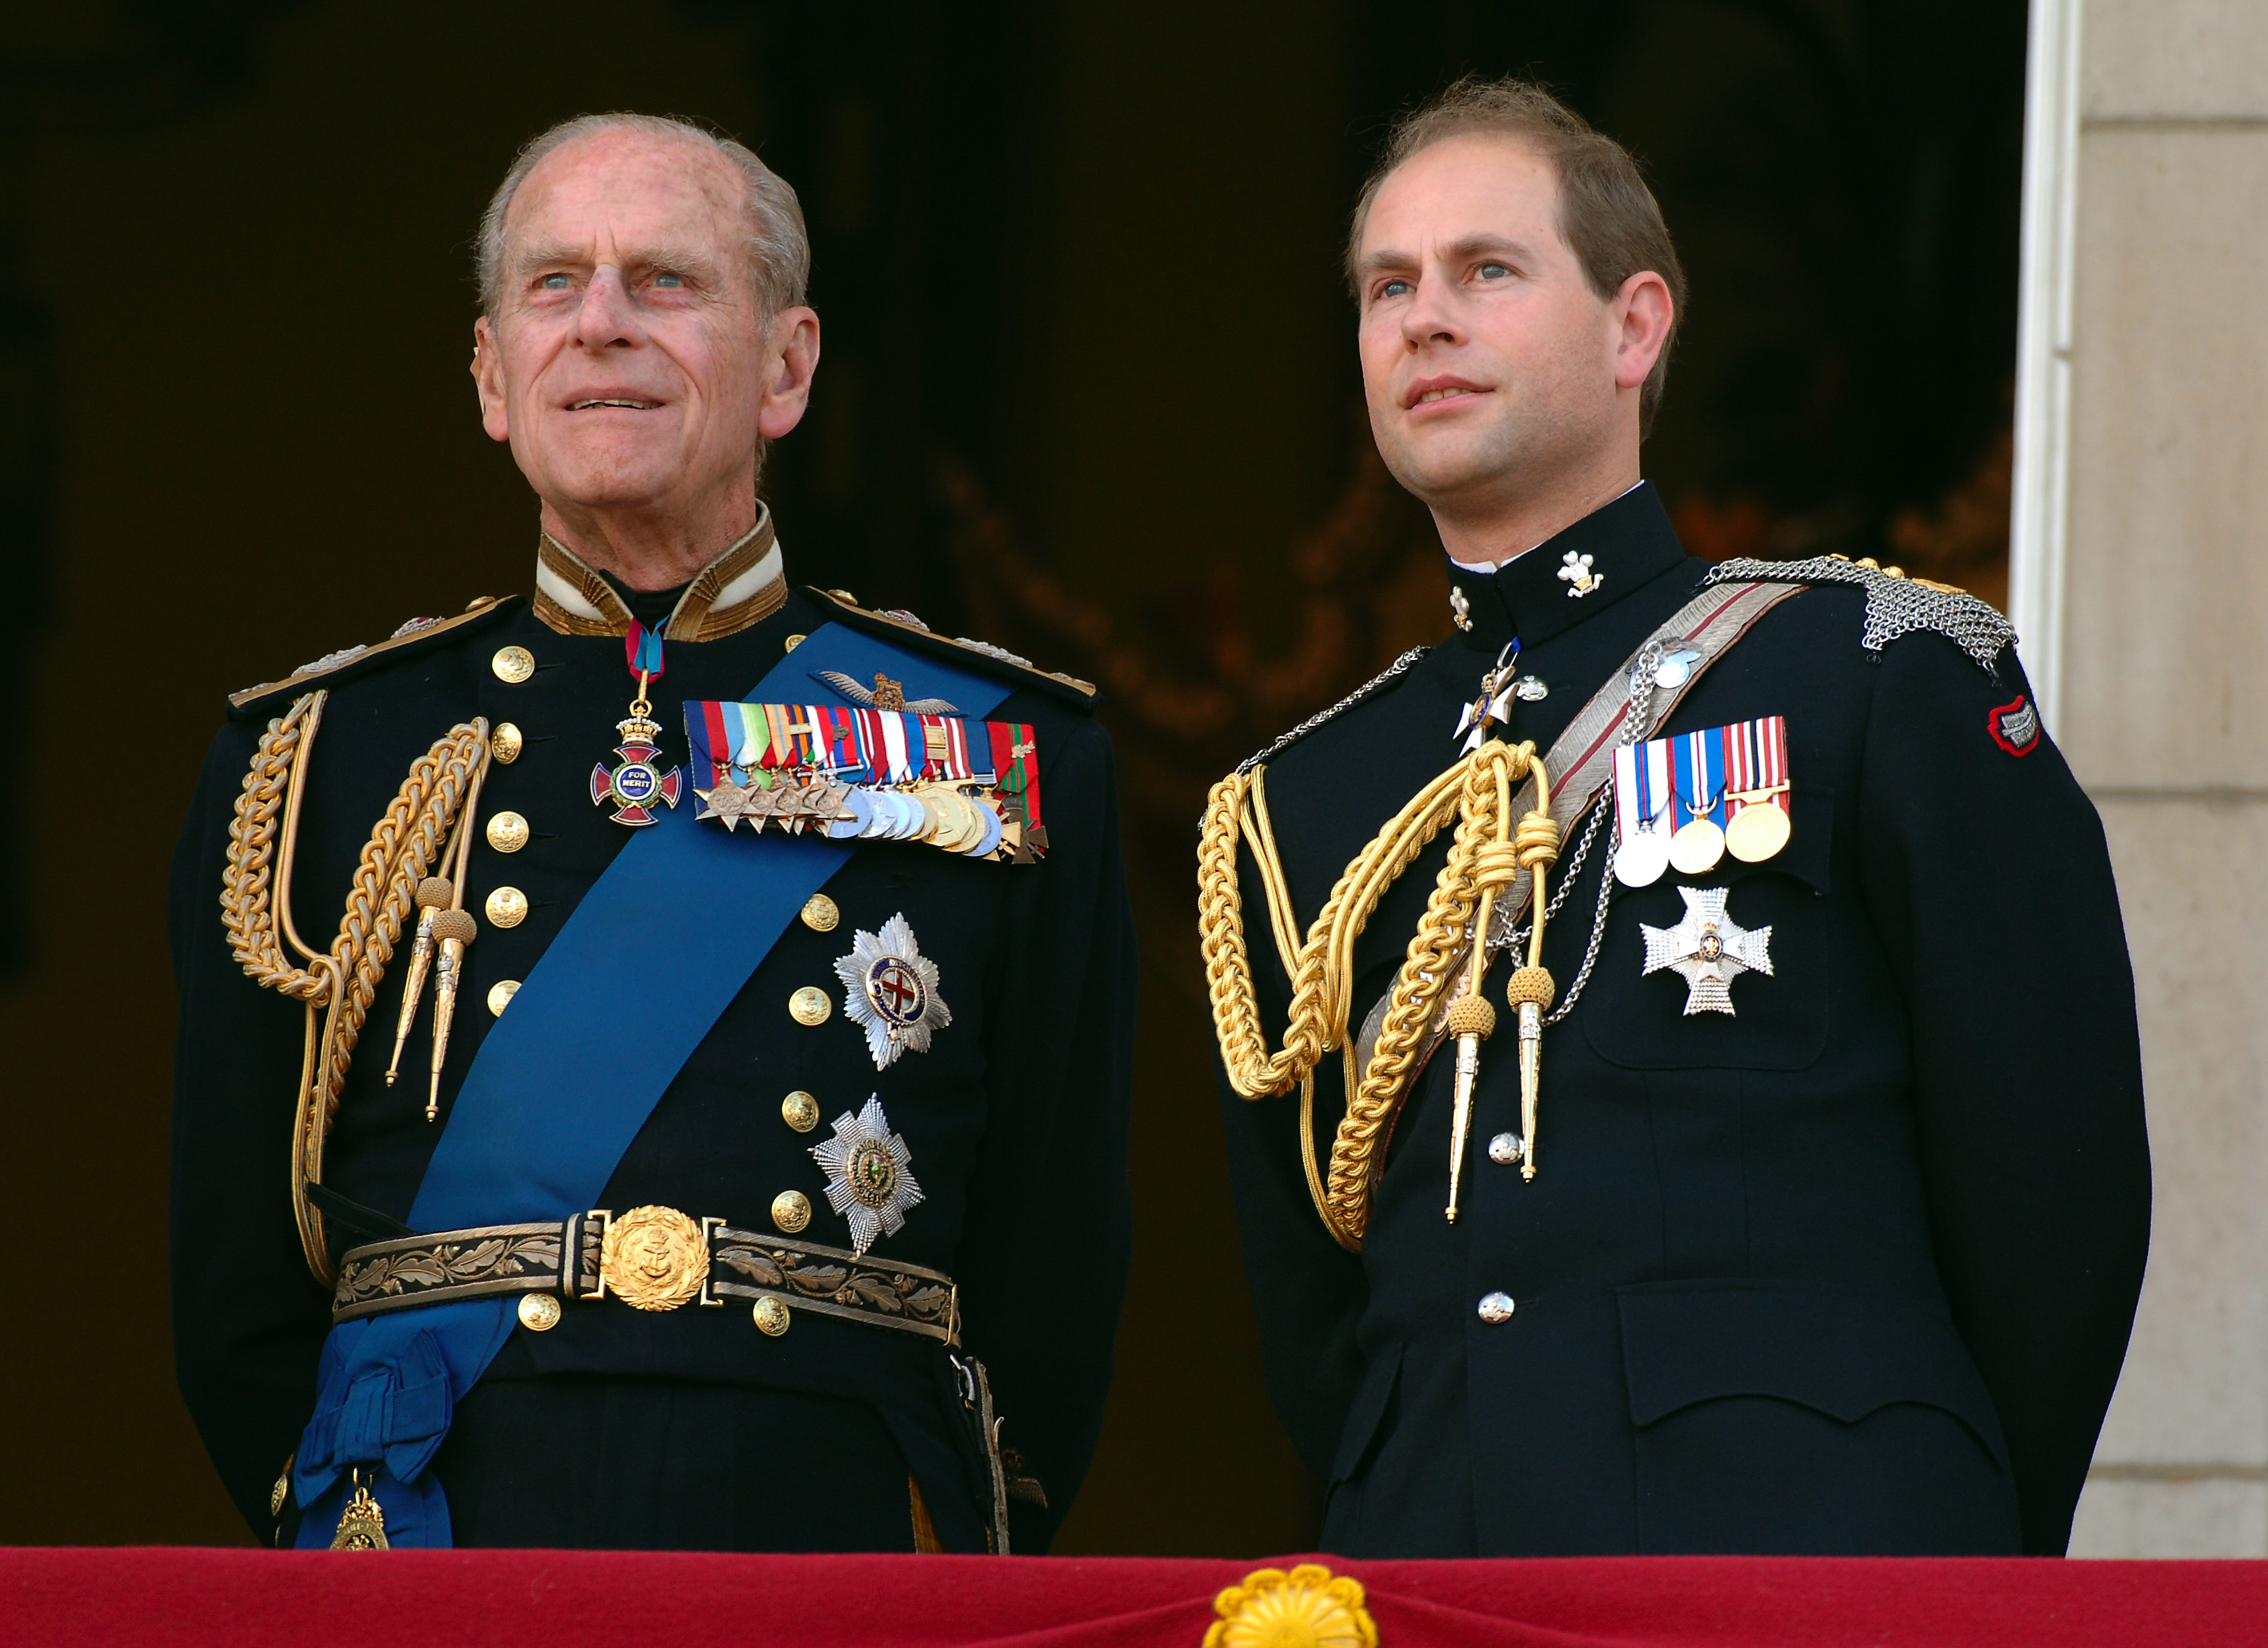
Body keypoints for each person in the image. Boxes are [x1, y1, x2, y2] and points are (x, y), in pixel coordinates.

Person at [1201, 78, 2148, 1557]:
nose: (1424, 320)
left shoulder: (1872, 669)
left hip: (1810, 1559)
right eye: (1390, 286)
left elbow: (2055, 1190)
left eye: (1486, 271)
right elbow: (1317, 1321)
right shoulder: (1299, 798)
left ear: (1635, 327)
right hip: (1444, 1565)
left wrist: (1949, 1562)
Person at [170, 112, 1135, 1554]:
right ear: (494, 377)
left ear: (790, 367)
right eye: (554, 286)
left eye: (665, 282)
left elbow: (1054, 1263)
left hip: (832, 1532)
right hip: (438, 1535)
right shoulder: (313, 759)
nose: (602, 324)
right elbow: (236, 1288)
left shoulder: (1002, 750)